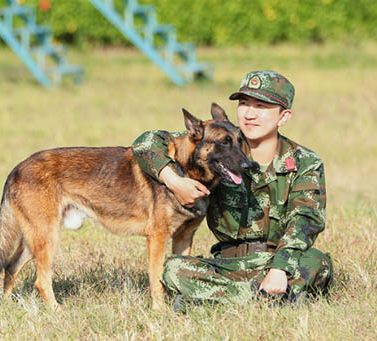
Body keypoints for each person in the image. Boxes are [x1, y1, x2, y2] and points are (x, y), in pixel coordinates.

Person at [131, 70, 333, 308]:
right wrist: (173, 180)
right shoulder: (220, 143)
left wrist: (279, 267)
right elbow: (146, 142)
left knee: (317, 263)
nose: (249, 113)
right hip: (228, 265)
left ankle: (212, 300)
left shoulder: (303, 160)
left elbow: (306, 219)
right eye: (244, 104)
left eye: (261, 106)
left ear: (283, 116)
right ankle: (272, 299)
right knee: (175, 269)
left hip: (278, 259)